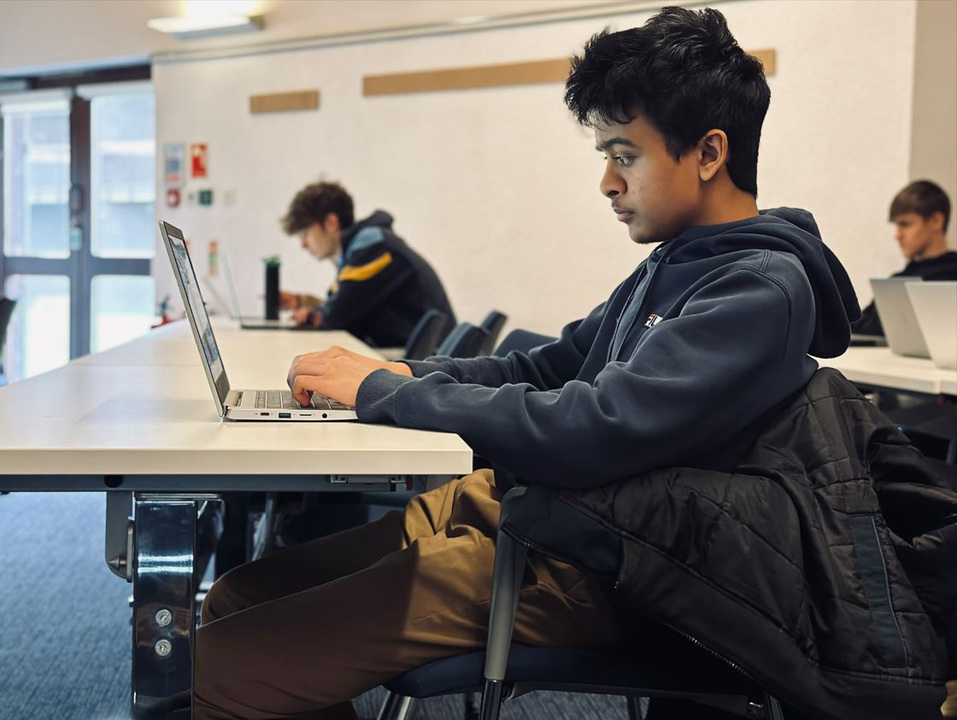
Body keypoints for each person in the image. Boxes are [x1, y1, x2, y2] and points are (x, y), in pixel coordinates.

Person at [194, 8, 862, 719]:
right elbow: (548, 370)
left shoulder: (756, 288)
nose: (607, 181)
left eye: (624, 155)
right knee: (239, 595)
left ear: (706, 153)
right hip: (535, 517)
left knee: (222, 665)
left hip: (604, 568)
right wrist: (406, 380)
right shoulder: (672, 264)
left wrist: (387, 394)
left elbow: (592, 428)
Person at [279, 181, 456, 347]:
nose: (303, 244)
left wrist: (313, 314)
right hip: (420, 360)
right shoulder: (361, 250)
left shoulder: (373, 246)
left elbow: (336, 315)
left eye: (305, 233)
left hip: (431, 366)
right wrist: (301, 302)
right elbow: (345, 302)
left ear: (331, 222)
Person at [852, 179, 957, 336]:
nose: (897, 235)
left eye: (905, 224)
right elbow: (858, 329)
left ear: (936, 221)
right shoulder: (898, 283)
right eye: (896, 225)